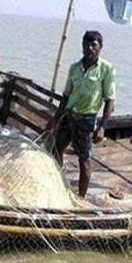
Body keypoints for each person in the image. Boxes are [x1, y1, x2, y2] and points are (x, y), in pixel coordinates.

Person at [48, 30, 116, 198]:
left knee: (84, 159)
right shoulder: (75, 68)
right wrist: (55, 119)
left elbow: (110, 100)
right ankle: (58, 185)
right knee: (56, 150)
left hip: (87, 118)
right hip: (70, 115)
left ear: (100, 47)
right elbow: (66, 95)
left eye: (94, 45)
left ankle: (81, 197)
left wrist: (102, 127)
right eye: (87, 44)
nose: (90, 48)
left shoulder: (106, 69)